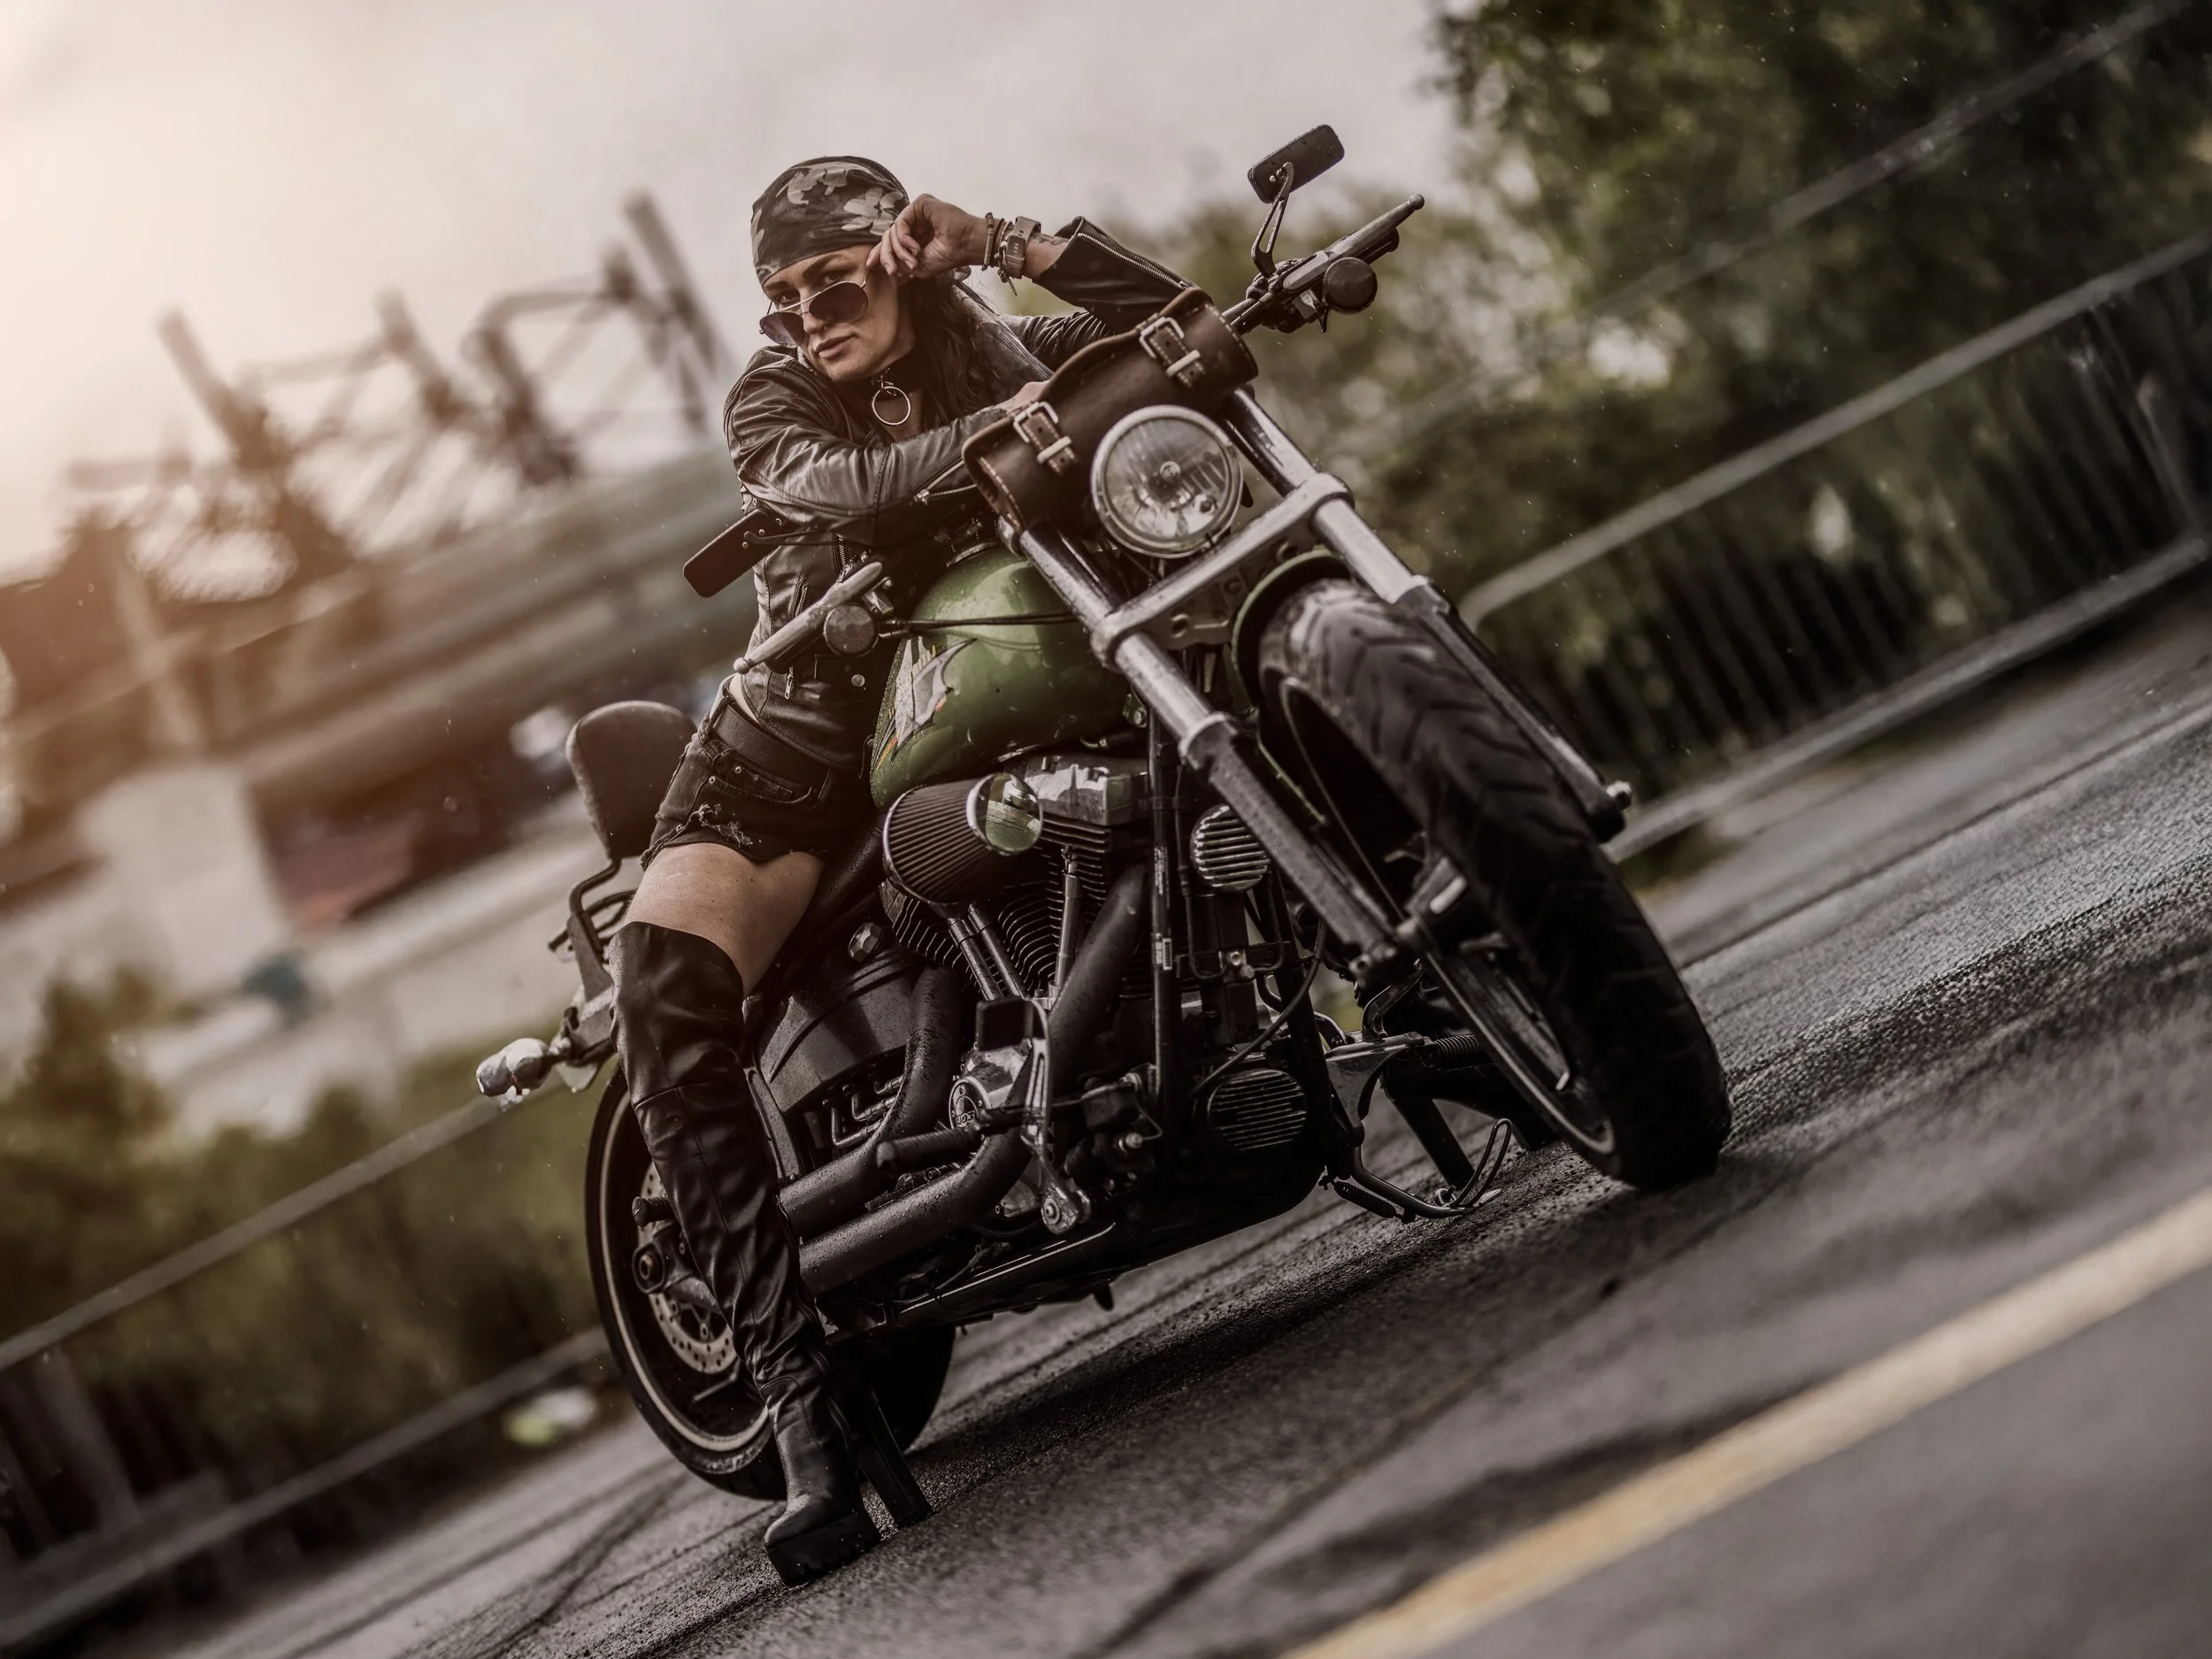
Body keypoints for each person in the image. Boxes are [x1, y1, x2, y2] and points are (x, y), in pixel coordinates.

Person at [608, 157, 1184, 1585]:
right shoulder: (773, 402)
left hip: (1022, 670)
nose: (810, 312)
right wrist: (1015, 422)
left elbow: (1167, 327)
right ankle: (801, 1407)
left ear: (903, 256)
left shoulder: (987, 330)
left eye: (838, 276)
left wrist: (1006, 244)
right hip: (793, 759)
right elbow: (831, 482)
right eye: (784, 294)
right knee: (661, 980)